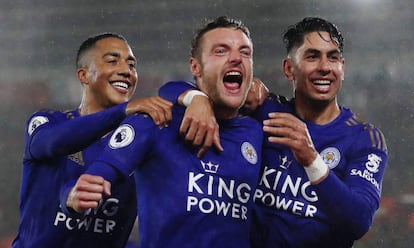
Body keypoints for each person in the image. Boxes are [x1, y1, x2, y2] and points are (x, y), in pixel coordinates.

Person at [159, 17, 388, 247]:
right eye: (312, 56)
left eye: (333, 57)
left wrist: (312, 161)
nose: (325, 67)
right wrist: (196, 98)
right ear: (289, 69)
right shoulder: (265, 109)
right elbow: (170, 89)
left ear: (342, 67)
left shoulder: (364, 139)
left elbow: (359, 220)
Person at [66, 16, 263, 248]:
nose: (236, 59)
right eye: (221, 51)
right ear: (195, 67)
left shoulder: (259, 130)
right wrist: (75, 198)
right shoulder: (157, 121)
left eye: (245, 52)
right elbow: (101, 172)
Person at [12, 33, 172, 248]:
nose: (126, 71)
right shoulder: (46, 122)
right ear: (84, 75)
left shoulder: (140, 141)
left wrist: (195, 98)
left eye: (132, 65)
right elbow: (52, 143)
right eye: (112, 61)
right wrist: (122, 111)